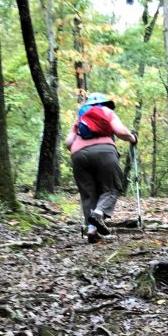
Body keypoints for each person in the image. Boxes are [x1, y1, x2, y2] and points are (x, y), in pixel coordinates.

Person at [65, 92, 138, 243]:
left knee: (88, 193)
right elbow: (120, 132)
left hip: (78, 155)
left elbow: (68, 142)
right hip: (104, 152)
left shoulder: (80, 118)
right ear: (104, 103)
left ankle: (92, 231)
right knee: (112, 188)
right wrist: (132, 138)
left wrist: (82, 149)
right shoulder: (108, 112)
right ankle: (98, 213)